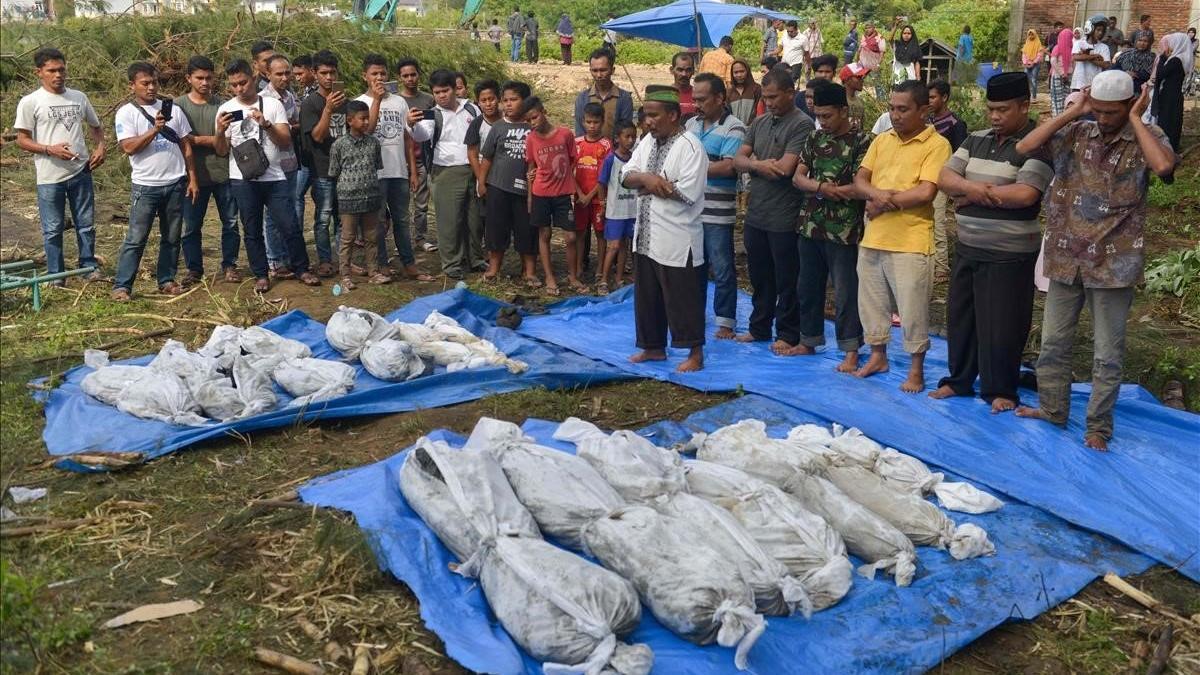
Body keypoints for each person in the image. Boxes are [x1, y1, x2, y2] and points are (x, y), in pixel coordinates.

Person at [1014, 70, 1175, 450]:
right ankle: (1052, 409)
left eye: (1112, 112)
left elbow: (1164, 167)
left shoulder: (1147, 136)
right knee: (1053, 343)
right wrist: (1075, 111)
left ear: (1131, 103)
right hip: (1066, 257)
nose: (1102, 118)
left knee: (1107, 354)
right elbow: (1025, 147)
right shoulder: (1077, 132)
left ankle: (1098, 427)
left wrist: (1136, 118)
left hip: (1113, 263)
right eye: (1098, 110)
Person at [930, 72, 1052, 413]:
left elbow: (1025, 194)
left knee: (1002, 324)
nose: (994, 116)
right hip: (968, 246)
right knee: (962, 318)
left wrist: (967, 195)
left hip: (1009, 252)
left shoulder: (1037, 145)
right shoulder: (976, 138)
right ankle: (959, 380)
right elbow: (944, 177)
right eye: (991, 109)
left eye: (1003, 109)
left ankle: (1000, 389)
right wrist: (976, 189)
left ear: (1024, 106)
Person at [851, 79, 951, 392]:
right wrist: (881, 196)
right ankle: (877, 356)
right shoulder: (882, 140)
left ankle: (916, 369)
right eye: (892, 108)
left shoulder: (937, 145)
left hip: (911, 241)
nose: (895, 115)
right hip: (874, 236)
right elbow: (860, 180)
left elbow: (925, 192)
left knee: (913, 309)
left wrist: (880, 201)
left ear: (924, 110)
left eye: (903, 109)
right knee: (872, 303)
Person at [620, 84, 709, 373]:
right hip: (646, 234)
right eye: (646, 115)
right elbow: (626, 175)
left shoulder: (691, 147)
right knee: (648, 296)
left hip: (677, 237)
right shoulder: (646, 142)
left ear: (672, 115)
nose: (648, 122)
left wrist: (649, 183)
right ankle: (653, 347)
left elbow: (688, 192)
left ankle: (695, 354)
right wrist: (648, 179)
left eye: (654, 115)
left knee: (684, 298)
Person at [215, 59, 321, 292]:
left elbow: (285, 141)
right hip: (243, 179)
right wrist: (220, 132)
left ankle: (302, 268)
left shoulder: (272, 104)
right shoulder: (225, 109)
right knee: (251, 229)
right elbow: (221, 151)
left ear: (253, 79)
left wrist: (266, 125)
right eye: (234, 85)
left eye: (243, 82)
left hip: (274, 177)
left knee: (289, 225)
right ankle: (261, 274)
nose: (239, 88)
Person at [790, 81, 871, 370]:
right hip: (810, 224)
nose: (822, 121)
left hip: (844, 230)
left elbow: (862, 186)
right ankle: (808, 340)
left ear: (844, 111)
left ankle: (850, 349)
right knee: (808, 287)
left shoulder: (863, 142)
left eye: (827, 116)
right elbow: (798, 177)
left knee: (846, 291)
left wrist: (836, 191)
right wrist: (823, 188)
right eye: (819, 116)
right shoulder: (814, 138)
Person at [732, 68, 813, 354]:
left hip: (785, 215)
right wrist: (758, 165)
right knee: (760, 276)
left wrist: (754, 164)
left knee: (786, 278)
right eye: (765, 97)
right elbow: (738, 160)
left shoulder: (802, 124)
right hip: (757, 213)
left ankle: (788, 333)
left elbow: (785, 169)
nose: (768, 102)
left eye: (774, 97)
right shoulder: (760, 121)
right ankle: (759, 327)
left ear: (790, 93)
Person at [13, 47, 106, 286]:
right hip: (49, 176)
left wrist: (100, 147)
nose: (58, 75)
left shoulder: (79, 97)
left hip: (80, 171)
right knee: (53, 228)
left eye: (61, 70)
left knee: (85, 224)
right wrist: (49, 149)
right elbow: (22, 139)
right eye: (52, 70)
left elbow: (95, 127)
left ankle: (88, 267)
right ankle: (56, 275)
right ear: (39, 72)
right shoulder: (30, 102)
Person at [112, 62, 199, 300]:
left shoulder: (174, 110)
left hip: (175, 183)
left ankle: (166, 280)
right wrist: (155, 130)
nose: (151, 88)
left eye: (154, 82)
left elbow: (185, 145)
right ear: (132, 86)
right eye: (145, 83)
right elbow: (128, 147)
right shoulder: (126, 113)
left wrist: (192, 178)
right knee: (136, 238)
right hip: (146, 186)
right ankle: (122, 286)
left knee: (172, 237)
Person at [357, 54, 433, 282]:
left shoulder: (399, 101)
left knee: (402, 219)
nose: (379, 77)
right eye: (374, 74)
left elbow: (407, 138)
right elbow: (367, 132)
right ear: (365, 76)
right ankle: (381, 264)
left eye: (382, 73)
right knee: (378, 222)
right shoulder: (360, 103)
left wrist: (412, 171)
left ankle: (409, 264)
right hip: (375, 173)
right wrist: (377, 100)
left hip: (398, 171)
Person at [686, 73, 746, 339]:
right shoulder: (690, 125)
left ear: (720, 98)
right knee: (694, 266)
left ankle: (725, 321)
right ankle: (694, 313)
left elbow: (729, 166)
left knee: (722, 268)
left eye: (702, 99)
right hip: (691, 210)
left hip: (718, 213)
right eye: (695, 99)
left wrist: (691, 168)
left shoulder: (735, 127)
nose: (697, 104)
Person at [408, 69, 480, 280]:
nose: (442, 96)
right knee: (449, 222)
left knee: (474, 220)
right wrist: (411, 124)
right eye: (437, 92)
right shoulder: (432, 114)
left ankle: (475, 259)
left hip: (473, 169)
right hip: (446, 172)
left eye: (445, 91)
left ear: (455, 89)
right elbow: (423, 134)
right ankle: (451, 264)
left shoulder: (471, 109)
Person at [177, 55, 241, 286]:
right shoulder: (178, 106)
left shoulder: (224, 106)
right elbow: (179, 141)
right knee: (191, 227)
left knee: (231, 223)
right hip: (192, 176)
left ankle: (230, 265)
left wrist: (195, 139)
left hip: (224, 173)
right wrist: (213, 139)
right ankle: (194, 269)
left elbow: (230, 140)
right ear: (189, 78)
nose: (205, 82)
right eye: (199, 78)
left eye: (209, 78)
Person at [478, 80, 536, 284]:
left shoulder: (533, 127)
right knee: (496, 229)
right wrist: (482, 182)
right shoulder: (498, 127)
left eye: (514, 100)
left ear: (526, 101)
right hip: (498, 187)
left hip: (527, 191)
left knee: (527, 230)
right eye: (505, 100)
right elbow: (487, 157)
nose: (508, 104)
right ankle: (494, 268)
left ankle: (529, 271)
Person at [328, 100, 387, 289]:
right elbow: (334, 171)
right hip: (348, 198)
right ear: (350, 120)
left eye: (368, 118)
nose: (366, 122)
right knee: (348, 238)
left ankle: (374, 272)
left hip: (371, 196)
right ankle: (345, 275)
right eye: (362, 118)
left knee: (372, 236)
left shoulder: (373, 143)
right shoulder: (339, 145)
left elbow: (377, 165)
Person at [521, 96, 577, 295]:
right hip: (540, 193)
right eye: (528, 120)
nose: (532, 123)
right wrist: (530, 196)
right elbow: (531, 167)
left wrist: (568, 182)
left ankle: (573, 276)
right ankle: (549, 277)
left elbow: (572, 159)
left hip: (562, 194)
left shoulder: (565, 134)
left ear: (544, 112)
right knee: (544, 234)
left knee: (570, 236)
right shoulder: (531, 139)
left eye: (534, 117)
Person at [299, 50, 347, 278]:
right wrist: (328, 109)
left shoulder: (345, 101)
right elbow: (317, 136)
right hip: (322, 169)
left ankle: (344, 260)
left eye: (332, 72)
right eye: (324, 73)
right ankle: (325, 260)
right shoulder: (310, 104)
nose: (329, 77)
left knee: (343, 218)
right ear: (314, 73)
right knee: (323, 218)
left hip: (344, 171)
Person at [260, 54, 302, 279]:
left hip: (290, 161)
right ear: (268, 74)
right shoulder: (262, 100)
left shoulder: (289, 96)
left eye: (287, 73)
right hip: (272, 164)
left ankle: (288, 257)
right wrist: (284, 128)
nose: (285, 78)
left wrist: (288, 128)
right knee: (272, 215)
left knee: (289, 210)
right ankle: (275, 260)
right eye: (279, 74)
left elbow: (293, 123)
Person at [927, 79, 967, 282]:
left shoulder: (956, 124)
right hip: (925, 178)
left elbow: (960, 157)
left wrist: (955, 187)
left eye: (933, 97)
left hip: (942, 180)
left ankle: (941, 267)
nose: (929, 101)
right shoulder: (927, 121)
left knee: (938, 222)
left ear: (944, 97)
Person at [397, 59, 437, 253]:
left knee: (421, 204)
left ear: (419, 74)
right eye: (405, 75)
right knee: (400, 205)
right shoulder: (396, 101)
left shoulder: (429, 100)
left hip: (422, 159)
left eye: (413, 74)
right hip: (399, 160)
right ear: (399, 78)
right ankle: (402, 241)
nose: (410, 79)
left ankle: (420, 238)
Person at [465, 79, 503, 275]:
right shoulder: (477, 123)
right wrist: (481, 178)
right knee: (484, 217)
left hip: (505, 177)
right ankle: (484, 255)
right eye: (483, 100)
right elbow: (472, 153)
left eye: (492, 99)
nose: (488, 104)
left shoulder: (508, 120)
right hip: (484, 177)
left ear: (499, 99)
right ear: (478, 102)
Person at [597, 120, 637, 293]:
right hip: (615, 211)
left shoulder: (636, 158)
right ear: (617, 138)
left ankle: (619, 278)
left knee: (624, 245)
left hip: (632, 210)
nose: (631, 140)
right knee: (613, 246)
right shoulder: (610, 159)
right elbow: (601, 183)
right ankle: (604, 280)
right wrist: (602, 205)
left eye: (633, 137)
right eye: (627, 136)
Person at [574, 103, 612, 281]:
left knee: (600, 234)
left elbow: (605, 176)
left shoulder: (606, 145)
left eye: (596, 122)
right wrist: (580, 194)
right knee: (580, 233)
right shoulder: (577, 143)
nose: (592, 126)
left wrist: (590, 196)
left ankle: (600, 268)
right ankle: (579, 266)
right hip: (580, 198)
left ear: (602, 122)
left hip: (598, 199)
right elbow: (570, 172)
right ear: (583, 121)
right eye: (589, 122)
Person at [573, 49, 634, 139]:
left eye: (603, 70)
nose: (599, 75)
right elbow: (580, 133)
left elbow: (625, 131)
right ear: (590, 71)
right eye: (595, 71)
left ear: (612, 70)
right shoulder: (582, 98)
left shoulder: (624, 98)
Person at [1149, 33, 1193, 152]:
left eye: (1172, 42)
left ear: (1178, 43)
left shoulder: (1176, 60)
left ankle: (1165, 148)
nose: (1169, 45)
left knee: (1167, 121)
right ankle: (1171, 147)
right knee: (1173, 121)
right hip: (1175, 94)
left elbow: (1160, 74)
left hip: (1169, 95)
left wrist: (1163, 57)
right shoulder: (1183, 58)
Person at [1072, 16, 1111, 91]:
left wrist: (1085, 56)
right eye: (1098, 30)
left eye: (1102, 31)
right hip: (1078, 84)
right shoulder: (1079, 43)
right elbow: (1076, 57)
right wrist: (1095, 56)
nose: (1100, 33)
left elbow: (1106, 64)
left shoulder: (1104, 47)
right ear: (1090, 29)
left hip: (1095, 85)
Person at [728, 59, 761, 126]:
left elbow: (759, 111)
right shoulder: (729, 92)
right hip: (734, 129)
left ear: (747, 71)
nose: (739, 75)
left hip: (752, 128)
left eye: (742, 71)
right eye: (736, 72)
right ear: (732, 74)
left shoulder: (756, 89)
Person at [1049, 26, 1074, 115]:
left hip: (1065, 76)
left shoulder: (1071, 48)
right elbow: (1053, 61)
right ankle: (1059, 117)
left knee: (1064, 98)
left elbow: (1073, 63)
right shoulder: (1059, 48)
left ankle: (1062, 117)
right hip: (1060, 76)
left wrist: (1065, 73)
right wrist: (1063, 73)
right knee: (1060, 97)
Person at [859, 22, 887, 99]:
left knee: (877, 83)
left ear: (874, 28)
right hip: (862, 64)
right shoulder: (863, 36)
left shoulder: (879, 38)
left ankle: (881, 100)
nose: (867, 29)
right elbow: (860, 49)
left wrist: (878, 64)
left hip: (874, 65)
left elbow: (882, 52)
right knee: (858, 80)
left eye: (869, 28)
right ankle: (857, 99)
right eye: (866, 28)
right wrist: (857, 60)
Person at [839, 62, 869, 131]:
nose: (862, 80)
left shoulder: (860, 102)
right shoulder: (838, 100)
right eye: (859, 77)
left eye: (862, 77)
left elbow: (861, 128)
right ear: (847, 80)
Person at [671, 52, 697, 119]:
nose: (684, 74)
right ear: (672, 70)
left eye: (688, 70)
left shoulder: (699, 95)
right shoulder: (663, 95)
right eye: (680, 70)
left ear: (693, 71)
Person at [1021, 29, 1045, 98]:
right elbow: (1024, 54)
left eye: (1032, 34)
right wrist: (1025, 63)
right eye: (1029, 34)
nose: (1031, 36)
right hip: (1027, 64)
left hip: (1035, 64)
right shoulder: (1026, 44)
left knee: (1033, 79)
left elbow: (1039, 55)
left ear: (1035, 35)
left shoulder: (1038, 44)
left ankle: (1034, 96)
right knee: (1026, 79)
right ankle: (1027, 95)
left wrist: (1033, 63)